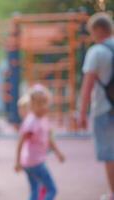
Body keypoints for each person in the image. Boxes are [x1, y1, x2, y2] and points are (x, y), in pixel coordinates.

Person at [78, 12, 114, 199]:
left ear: (98, 30)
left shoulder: (96, 52)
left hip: (104, 109)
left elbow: (88, 85)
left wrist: (82, 113)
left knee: (110, 153)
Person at [15, 84, 65, 200]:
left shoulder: (42, 119)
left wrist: (58, 153)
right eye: (40, 103)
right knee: (51, 189)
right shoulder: (31, 122)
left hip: (30, 162)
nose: (45, 106)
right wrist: (17, 161)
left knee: (35, 190)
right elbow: (21, 141)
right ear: (32, 105)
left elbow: (49, 139)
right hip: (35, 163)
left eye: (46, 102)